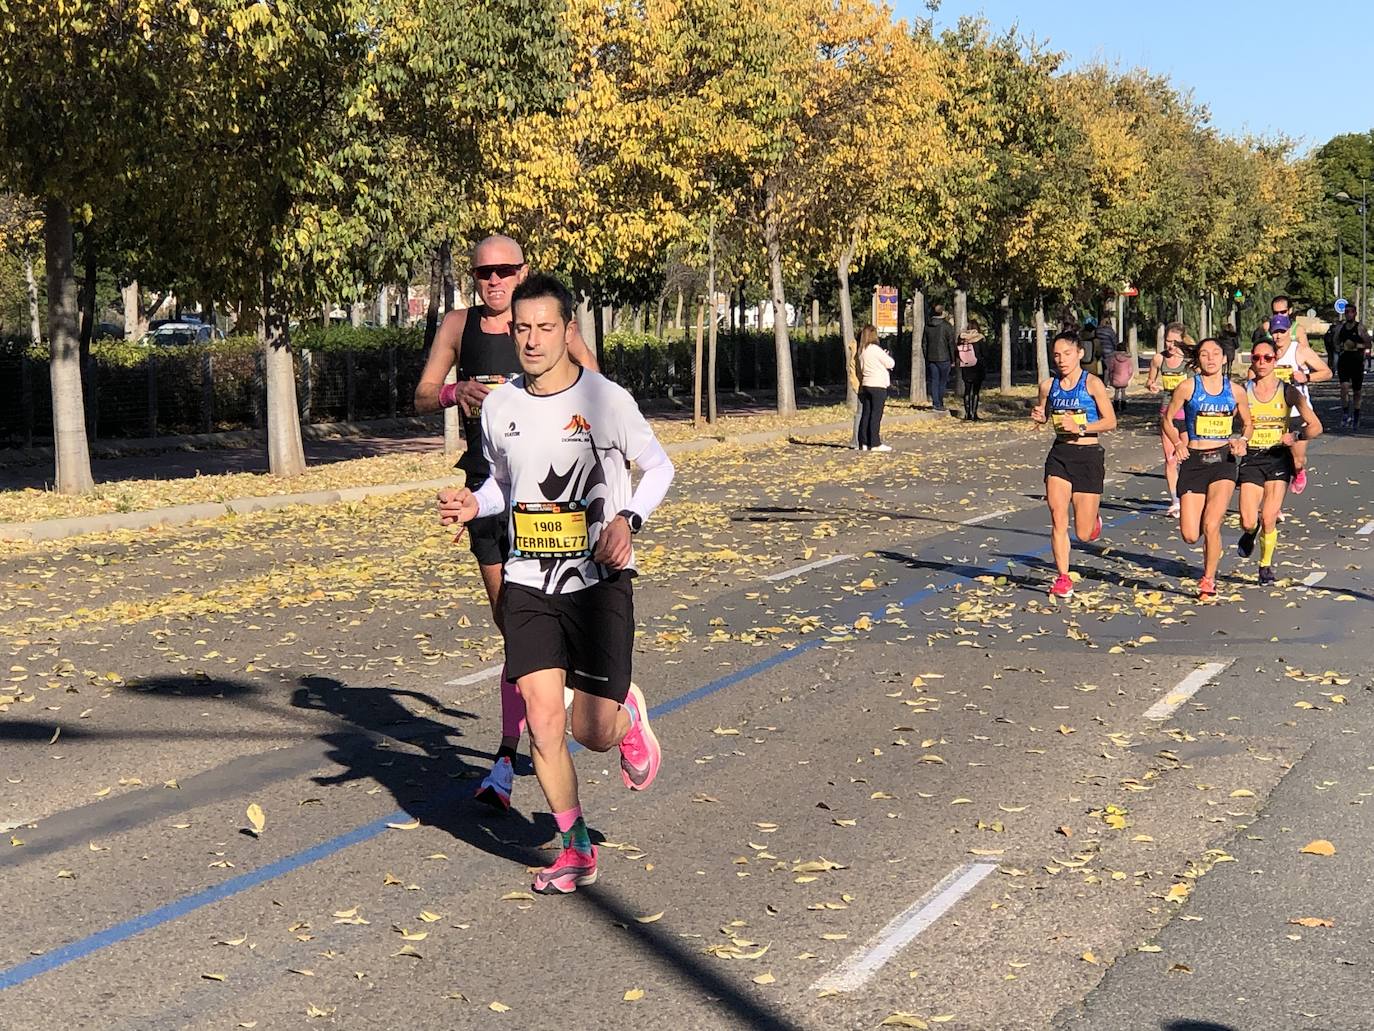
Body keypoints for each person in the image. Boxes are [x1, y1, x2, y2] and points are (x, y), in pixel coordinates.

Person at [438, 273, 673, 895]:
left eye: (546, 328)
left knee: (586, 731)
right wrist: (474, 505)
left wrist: (628, 518)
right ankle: (575, 849)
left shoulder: (606, 399)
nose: (533, 340)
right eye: (523, 329)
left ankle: (624, 718)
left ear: (568, 331)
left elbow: (658, 467)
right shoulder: (499, 407)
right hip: (528, 581)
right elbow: (501, 486)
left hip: (598, 582)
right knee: (544, 720)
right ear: (510, 331)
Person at [416, 235, 599, 812]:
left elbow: (599, 390)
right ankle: (515, 746)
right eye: (484, 273)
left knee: (535, 626)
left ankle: (511, 750)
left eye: (505, 271)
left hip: (546, 494)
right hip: (486, 490)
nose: (494, 281)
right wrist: (455, 391)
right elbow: (421, 394)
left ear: (523, 273)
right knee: (510, 625)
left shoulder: (550, 328)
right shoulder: (457, 325)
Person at [1163, 338, 1253, 600]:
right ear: (1198, 359)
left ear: (1225, 358)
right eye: (1204, 354)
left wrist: (1242, 440)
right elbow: (1167, 419)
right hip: (1194, 461)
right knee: (1191, 534)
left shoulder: (1235, 391)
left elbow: (1248, 424)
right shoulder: (1188, 387)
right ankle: (1206, 549)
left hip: (1222, 462)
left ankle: (1208, 579)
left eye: (1216, 354)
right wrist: (1178, 442)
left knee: (1212, 524)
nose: (1211, 358)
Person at [1031, 330, 1117, 599]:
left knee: (1083, 532)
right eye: (1056, 354)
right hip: (1060, 456)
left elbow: (1111, 422)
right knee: (1057, 518)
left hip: (1088, 457)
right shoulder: (1048, 386)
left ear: (1080, 353)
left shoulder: (1092, 384)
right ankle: (1063, 578)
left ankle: (1093, 521)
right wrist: (1040, 417)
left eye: (1067, 353)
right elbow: (1045, 413)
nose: (1061, 359)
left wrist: (1081, 426)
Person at [1237, 338, 1322, 584]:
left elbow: (1315, 426)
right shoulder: (1243, 391)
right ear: (1251, 360)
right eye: (1256, 358)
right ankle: (1250, 532)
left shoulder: (1288, 391)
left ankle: (1265, 565)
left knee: (1269, 517)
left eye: (1267, 358)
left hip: (1278, 459)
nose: (1261, 362)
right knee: (1248, 519)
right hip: (1252, 458)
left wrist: (1296, 436)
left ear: (1275, 361)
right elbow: (1226, 418)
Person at [1265, 312, 1331, 494]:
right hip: (1274, 413)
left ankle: (1299, 471)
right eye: (1275, 332)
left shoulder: (1299, 351)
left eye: (1282, 331)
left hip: (1297, 412)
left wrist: (1306, 377)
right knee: (1272, 461)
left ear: (1289, 332)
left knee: (1297, 460)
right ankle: (1274, 503)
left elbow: (1327, 372)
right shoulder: (1267, 352)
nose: (1278, 336)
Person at [1146, 323, 1192, 517]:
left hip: (1187, 413)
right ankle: (1175, 501)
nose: (1171, 346)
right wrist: (1152, 385)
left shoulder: (1189, 361)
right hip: (1168, 414)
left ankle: (1189, 496)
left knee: (1187, 458)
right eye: (1168, 341)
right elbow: (1150, 381)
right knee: (1170, 458)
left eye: (1176, 342)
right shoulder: (1159, 359)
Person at [1331, 305, 1371, 430]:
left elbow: (1368, 343)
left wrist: (1355, 345)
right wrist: (1339, 347)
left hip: (1357, 362)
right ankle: (1345, 413)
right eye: (1346, 312)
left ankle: (1357, 414)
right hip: (1344, 361)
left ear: (1355, 313)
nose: (1348, 314)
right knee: (1344, 388)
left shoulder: (1360, 328)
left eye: (1351, 312)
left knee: (1357, 391)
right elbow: (1335, 341)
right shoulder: (1340, 328)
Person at [856, 323, 894, 451]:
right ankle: (875, 443)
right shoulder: (875, 349)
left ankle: (864, 442)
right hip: (878, 384)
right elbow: (890, 363)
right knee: (876, 414)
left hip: (867, 383)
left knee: (867, 413)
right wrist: (886, 355)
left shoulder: (862, 351)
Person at [924, 303, 955, 413]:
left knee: (934, 380)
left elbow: (924, 343)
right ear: (942, 312)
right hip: (944, 357)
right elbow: (951, 343)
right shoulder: (946, 326)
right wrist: (953, 359)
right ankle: (940, 403)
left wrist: (926, 356)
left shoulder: (927, 326)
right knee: (943, 381)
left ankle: (935, 403)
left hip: (932, 357)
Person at [956, 317, 989, 421]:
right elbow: (985, 353)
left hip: (966, 366)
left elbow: (957, 352)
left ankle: (967, 414)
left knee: (967, 390)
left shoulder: (962, 339)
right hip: (977, 366)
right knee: (975, 391)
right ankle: (974, 413)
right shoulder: (979, 338)